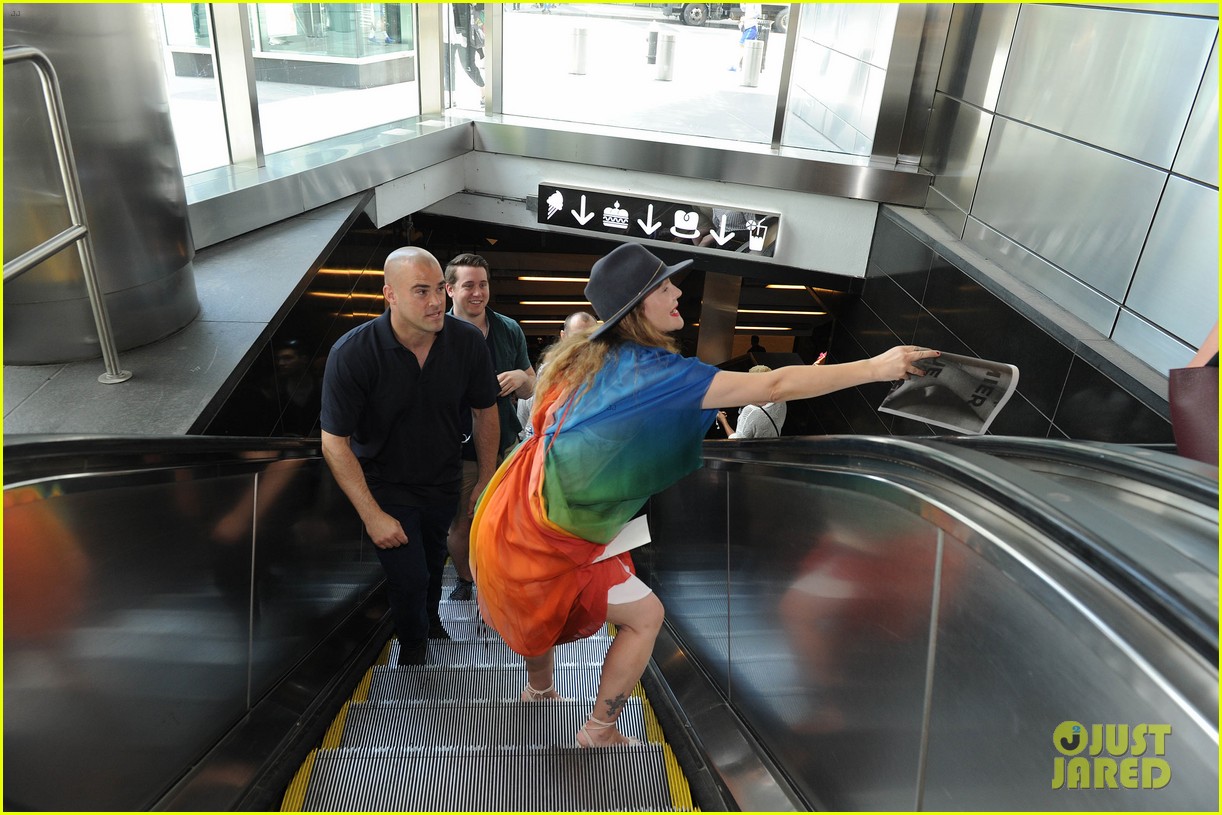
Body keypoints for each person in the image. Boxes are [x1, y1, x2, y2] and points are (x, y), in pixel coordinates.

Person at [469, 242, 938, 747]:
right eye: (664, 286)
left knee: (534, 601)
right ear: (637, 307)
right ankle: (599, 730)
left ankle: (539, 692)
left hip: (516, 508)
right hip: (555, 531)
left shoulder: (583, 359)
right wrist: (875, 368)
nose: (677, 292)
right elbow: (774, 385)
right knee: (644, 617)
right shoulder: (658, 375)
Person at [320, 247, 500, 665]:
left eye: (439, 288)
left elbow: (484, 411)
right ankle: (413, 650)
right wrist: (371, 514)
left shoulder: (466, 342)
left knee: (435, 560)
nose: (436, 301)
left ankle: (432, 621)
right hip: (385, 484)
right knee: (410, 576)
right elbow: (334, 442)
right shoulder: (353, 353)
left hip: (443, 477)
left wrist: (487, 478)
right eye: (421, 291)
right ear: (391, 295)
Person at [444, 253, 536, 602]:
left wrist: (521, 380)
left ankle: (500, 581)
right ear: (450, 289)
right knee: (464, 518)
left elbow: (531, 385)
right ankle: (467, 580)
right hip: (461, 446)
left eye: (482, 284)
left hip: (507, 446)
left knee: (510, 521)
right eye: (468, 285)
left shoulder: (508, 329)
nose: (478, 292)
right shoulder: (438, 332)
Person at [517, 310, 598, 442]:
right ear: (563, 336)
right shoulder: (546, 373)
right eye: (577, 337)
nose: (584, 344)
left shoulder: (606, 372)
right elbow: (529, 423)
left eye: (590, 337)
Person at [716, 364, 786, 438]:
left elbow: (737, 441)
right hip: (772, 447)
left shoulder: (750, 411)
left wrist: (723, 421)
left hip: (753, 449)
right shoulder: (781, 400)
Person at [730, 4, 762, 72]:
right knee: (748, 49)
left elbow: (758, 13)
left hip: (751, 26)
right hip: (747, 26)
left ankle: (737, 66)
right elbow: (743, 8)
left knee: (742, 45)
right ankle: (745, 67)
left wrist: (747, 18)